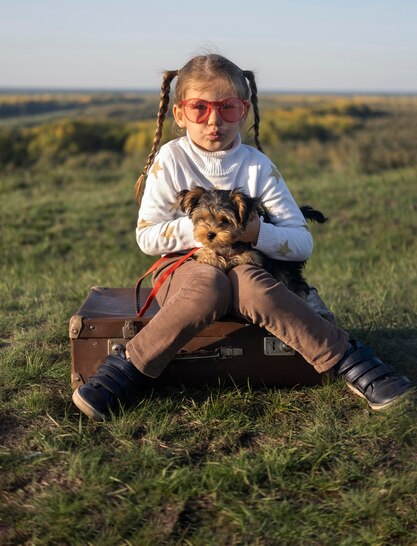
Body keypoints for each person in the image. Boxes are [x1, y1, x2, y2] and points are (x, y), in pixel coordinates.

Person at [72, 53, 412, 421]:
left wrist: (254, 232)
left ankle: (351, 363)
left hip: (247, 263)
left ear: (244, 110)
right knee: (208, 286)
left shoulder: (257, 167)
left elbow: (301, 240)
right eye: (199, 108)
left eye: (228, 107)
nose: (214, 120)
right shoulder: (170, 160)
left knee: (253, 286)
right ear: (180, 113)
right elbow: (146, 236)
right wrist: (203, 232)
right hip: (185, 267)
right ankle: (127, 369)